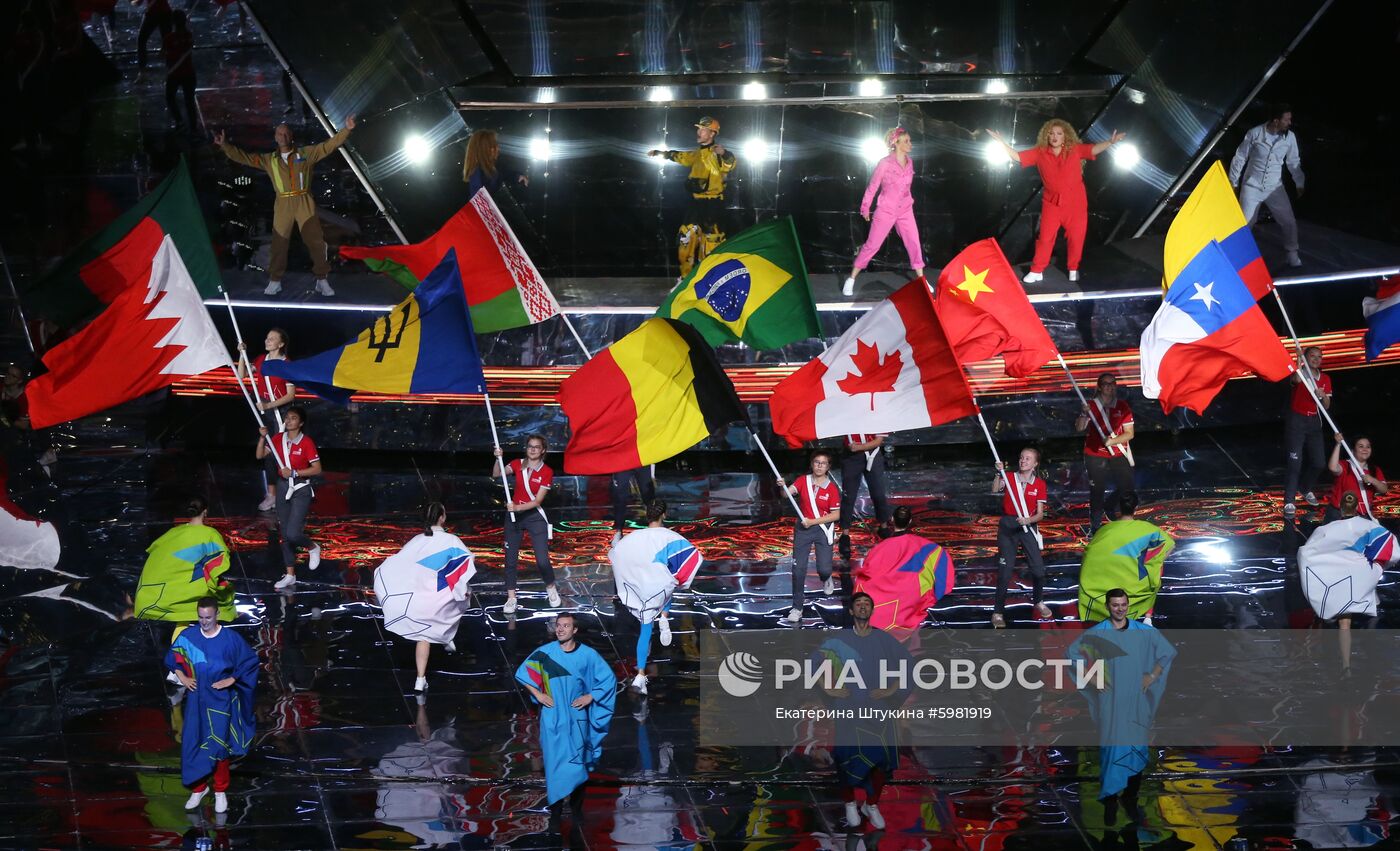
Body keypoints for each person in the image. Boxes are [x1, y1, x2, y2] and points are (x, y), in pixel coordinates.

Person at [214, 115, 356, 297]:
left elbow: (328, 146)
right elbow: (245, 158)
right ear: (275, 137)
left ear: (291, 136)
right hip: (283, 203)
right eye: (279, 133)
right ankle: (275, 281)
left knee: (316, 241)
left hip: (304, 200)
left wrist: (347, 130)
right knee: (279, 242)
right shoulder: (269, 160)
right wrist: (225, 146)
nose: (283, 136)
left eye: (286, 133)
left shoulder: (305, 154)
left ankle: (322, 280)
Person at [1067, 588, 1176, 826]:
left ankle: (1129, 799)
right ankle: (1109, 801)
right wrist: (1091, 676)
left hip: (1137, 701)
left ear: (1128, 605)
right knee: (1111, 750)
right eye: (1115, 605)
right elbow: (1072, 654)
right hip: (1111, 702)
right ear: (1108, 606)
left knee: (1137, 750)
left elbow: (1167, 653)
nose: (1120, 609)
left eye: (1123, 604)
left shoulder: (1144, 632)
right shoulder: (1098, 633)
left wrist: (1152, 677)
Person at [986, 121, 1126, 284]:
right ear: (1046, 135)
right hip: (1052, 204)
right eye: (1051, 133)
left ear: (1065, 135)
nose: (1054, 137)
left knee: (1076, 237)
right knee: (1045, 238)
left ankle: (1073, 268)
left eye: (1059, 133)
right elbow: (1017, 157)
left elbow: (1093, 149)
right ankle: (1037, 270)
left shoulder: (1074, 150)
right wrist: (1001, 143)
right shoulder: (1040, 153)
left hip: (1076, 204)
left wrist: (1110, 142)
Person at [514, 612, 616, 833]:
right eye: (558, 625)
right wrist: (538, 695)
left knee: (578, 764)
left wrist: (591, 696)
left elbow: (608, 679)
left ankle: (577, 811)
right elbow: (523, 673)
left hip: (577, 717)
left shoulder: (588, 655)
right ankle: (556, 814)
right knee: (554, 765)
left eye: (566, 626)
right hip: (552, 718)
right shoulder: (545, 653)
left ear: (575, 630)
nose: (560, 629)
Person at [166, 596, 258, 814]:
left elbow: (249, 662)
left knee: (219, 746)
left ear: (217, 615)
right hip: (197, 701)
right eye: (200, 617)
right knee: (193, 742)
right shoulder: (189, 636)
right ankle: (198, 789)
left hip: (221, 701)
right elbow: (174, 658)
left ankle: (219, 791)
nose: (204, 622)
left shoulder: (230, 639)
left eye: (208, 617)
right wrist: (183, 677)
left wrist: (232, 679)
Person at [373, 502, 476, 693]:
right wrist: (462, 591)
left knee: (424, 636)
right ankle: (445, 636)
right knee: (459, 599)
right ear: (442, 517)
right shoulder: (451, 540)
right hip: (435, 599)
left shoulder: (416, 540)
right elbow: (463, 567)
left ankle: (420, 679)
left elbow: (401, 563)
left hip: (417, 599)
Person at [826, 592, 908, 830]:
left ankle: (871, 804)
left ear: (872, 610)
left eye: (867, 604)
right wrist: (829, 689)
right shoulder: (840, 638)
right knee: (846, 758)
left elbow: (907, 663)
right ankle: (850, 803)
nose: (863, 607)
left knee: (881, 760)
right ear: (851, 611)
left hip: (877, 709)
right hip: (850, 707)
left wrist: (891, 689)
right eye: (858, 604)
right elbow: (816, 662)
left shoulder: (884, 639)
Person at [1297, 492, 1398, 674]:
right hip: (1357, 577)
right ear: (1358, 507)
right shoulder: (1369, 527)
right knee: (1346, 623)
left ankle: (1318, 651)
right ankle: (1346, 666)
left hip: (1335, 577)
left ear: (1341, 508)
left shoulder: (1327, 529)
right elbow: (1393, 551)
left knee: (1330, 616)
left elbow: (1308, 551)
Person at [609, 499, 702, 695]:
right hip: (659, 588)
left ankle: (641, 676)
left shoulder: (633, 537)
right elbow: (691, 558)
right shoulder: (670, 537)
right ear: (664, 515)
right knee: (670, 581)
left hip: (642, 590)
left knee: (645, 630)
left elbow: (615, 553)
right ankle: (665, 618)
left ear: (647, 516)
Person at [648, 116, 737, 279]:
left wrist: (723, 153)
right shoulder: (697, 154)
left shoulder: (716, 154)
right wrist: (660, 153)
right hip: (696, 205)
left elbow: (730, 163)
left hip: (713, 207)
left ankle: (709, 284)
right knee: (686, 241)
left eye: (703, 130)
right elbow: (680, 156)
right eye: (699, 129)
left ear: (712, 133)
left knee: (710, 247)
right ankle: (685, 281)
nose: (699, 132)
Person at [843, 127, 925, 297]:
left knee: (914, 243)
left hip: (905, 210)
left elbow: (906, 188)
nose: (910, 144)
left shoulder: (910, 163)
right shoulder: (885, 163)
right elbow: (873, 186)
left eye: (910, 140)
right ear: (896, 143)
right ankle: (851, 279)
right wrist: (865, 207)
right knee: (872, 245)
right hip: (886, 210)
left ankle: (922, 281)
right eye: (907, 141)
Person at [853, 506, 955, 638]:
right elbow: (942, 567)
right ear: (910, 521)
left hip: (884, 613)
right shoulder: (926, 547)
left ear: (892, 519)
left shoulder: (879, 549)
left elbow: (868, 574)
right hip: (910, 602)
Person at [134, 496, 234, 623]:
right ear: (205, 512)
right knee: (223, 596)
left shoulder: (173, 532)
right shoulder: (211, 534)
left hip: (162, 592)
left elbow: (155, 550)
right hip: (191, 582)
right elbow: (220, 561)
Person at [1078, 492, 1174, 623]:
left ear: (1118, 508)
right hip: (1136, 583)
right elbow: (1169, 546)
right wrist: (1152, 562)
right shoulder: (1148, 529)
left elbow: (1089, 555)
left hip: (1106, 583)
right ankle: (1148, 617)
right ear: (1136, 508)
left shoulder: (1104, 531)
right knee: (1158, 567)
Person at [255, 406, 322, 590]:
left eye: (293, 418)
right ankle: (290, 574)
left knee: (293, 533)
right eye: (287, 418)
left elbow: (317, 469)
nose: (289, 420)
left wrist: (294, 472)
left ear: (300, 423)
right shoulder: (278, 438)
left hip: (301, 488)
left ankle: (313, 547)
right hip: (283, 486)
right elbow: (259, 455)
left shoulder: (306, 442)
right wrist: (262, 437)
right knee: (284, 535)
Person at [1229, 104, 1305, 267]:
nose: (1289, 122)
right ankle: (1239, 256)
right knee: (1246, 224)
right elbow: (1240, 157)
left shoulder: (1289, 137)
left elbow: (1293, 161)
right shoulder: (1255, 133)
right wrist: (1233, 181)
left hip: (1274, 188)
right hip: (1252, 185)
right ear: (1276, 121)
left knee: (1289, 221)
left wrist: (1299, 182)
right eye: (1287, 119)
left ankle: (1292, 253)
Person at [492, 435, 561, 613]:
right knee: (510, 559)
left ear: (543, 450)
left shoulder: (547, 471)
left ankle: (551, 587)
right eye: (530, 446)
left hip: (533, 517)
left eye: (537, 447)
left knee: (542, 559)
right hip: (514, 518)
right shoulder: (517, 464)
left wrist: (516, 507)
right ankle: (511, 598)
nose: (532, 450)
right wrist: (498, 458)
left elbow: (537, 501)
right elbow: (496, 474)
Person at [777, 450, 841, 625]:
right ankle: (797, 608)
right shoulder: (802, 481)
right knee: (798, 570)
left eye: (823, 463)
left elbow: (836, 516)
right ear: (812, 464)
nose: (819, 466)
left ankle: (826, 578)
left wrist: (813, 521)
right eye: (817, 462)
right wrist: (783, 486)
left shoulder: (832, 489)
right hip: (803, 530)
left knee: (824, 569)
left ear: (828, 467)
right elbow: (786, 494)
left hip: (822, 529)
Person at [236, 328, 295, 512]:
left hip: (279, 416)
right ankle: (272, 495)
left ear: (281, 344)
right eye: (267, 337)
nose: (267, 340)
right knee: (268, 455)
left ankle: (283, 493)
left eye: (272, 339)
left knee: (277, 455)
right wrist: (241, 354)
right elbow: (242, 375)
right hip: (265, 415)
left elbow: (290, 395)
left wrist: (269, 405)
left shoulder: (286, 364)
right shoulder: (261, 360)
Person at [990, 447, 1049, 627]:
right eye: (1022, 457)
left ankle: (1038, 600)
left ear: (1035, 464)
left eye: (1028, 459)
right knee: (1005, 572)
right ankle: (998, 612)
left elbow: (1040, 515)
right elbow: (994, 490)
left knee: (1039, 571)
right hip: (1008, 527)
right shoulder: (1008, 477)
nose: (1023, 461)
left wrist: (1028, 520)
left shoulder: (1039, 484)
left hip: (1028, 527)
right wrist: (998, 473)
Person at [1075, 372, 1135, 535]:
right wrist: (1083, 413)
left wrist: (1112, 441)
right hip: (1095, 453)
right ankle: (1095, 526)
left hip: (1118, 453)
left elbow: (1129, 433)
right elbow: (1079, 428)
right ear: (1100, 387)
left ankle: (1122, 516)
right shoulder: (1091, 406)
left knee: (1127, 488)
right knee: (1097, 490)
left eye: (1112, 383)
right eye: (1106, 384)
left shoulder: (1122, 406)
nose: (1110, 387)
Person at [1282, 346, 1330, 517]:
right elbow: (1295, 379)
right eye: (1312, 356)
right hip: (1297, 422)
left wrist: (1322, 395)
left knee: (1319, 463)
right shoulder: (1301, 373)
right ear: (1307, 357)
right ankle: (1289, 501)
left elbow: (1326, 406)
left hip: (1314, 423)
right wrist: (1299, 359)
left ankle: (1304, 488)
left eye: (1319, 356)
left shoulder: (1325, 378)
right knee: (1295, 463)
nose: (1316, 359)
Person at [837, 433, 891, 559]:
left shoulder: (875, 413)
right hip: (851, 457)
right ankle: (845, 535)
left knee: (878, 494)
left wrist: (861, 447)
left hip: (873, 454)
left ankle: (883, 527)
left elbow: (878, 441)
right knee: (848, 496)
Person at [1327, 434, 1388, 521]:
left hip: (1363, 515)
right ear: (1352, 451)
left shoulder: (1375, 470)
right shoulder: (1345, 465)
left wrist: (1372, 480)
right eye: (1361, 446)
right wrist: (1338, 444)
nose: (1365, 449)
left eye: (1368, 447)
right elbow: (1332, 467)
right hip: (1339, 514)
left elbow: (1384, 489)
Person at [462, 128, 529, 199]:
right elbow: (480, 201)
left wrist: (518, 177)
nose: (498, 149)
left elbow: (507, 173)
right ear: (487, 149)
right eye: (495, 145)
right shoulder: (477, 173)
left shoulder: (495, 167)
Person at [161, 11, 196, 131]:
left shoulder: (168, 38)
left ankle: (179, 121)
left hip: (174, 74)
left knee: (170, 97)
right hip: (189, 73)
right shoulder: (189, 35)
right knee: (190, 101)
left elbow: (165, 55)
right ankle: (194, 127)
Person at [609, 466, 655, 546]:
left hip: (641, 461)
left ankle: (656, 527)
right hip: (623, 461)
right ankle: (618, 531)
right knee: (620, 497)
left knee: (648, 494)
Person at [133, 0, 172, 80]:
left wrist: (134, 2)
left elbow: (138, 3)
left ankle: (142, 72)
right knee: (168, 43)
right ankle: (172, 71)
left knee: (141, 40)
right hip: (165, 13)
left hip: (153, 13)